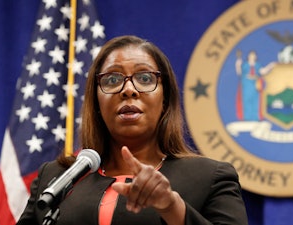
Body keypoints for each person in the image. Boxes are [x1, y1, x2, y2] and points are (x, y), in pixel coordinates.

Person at [17, 35, 248, 225]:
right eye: (112, 80)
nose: (128, 90)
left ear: (165, 99)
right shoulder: (55, 177)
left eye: (145, 78)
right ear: (96, 103)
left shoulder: (209, 177)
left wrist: (171, 207)